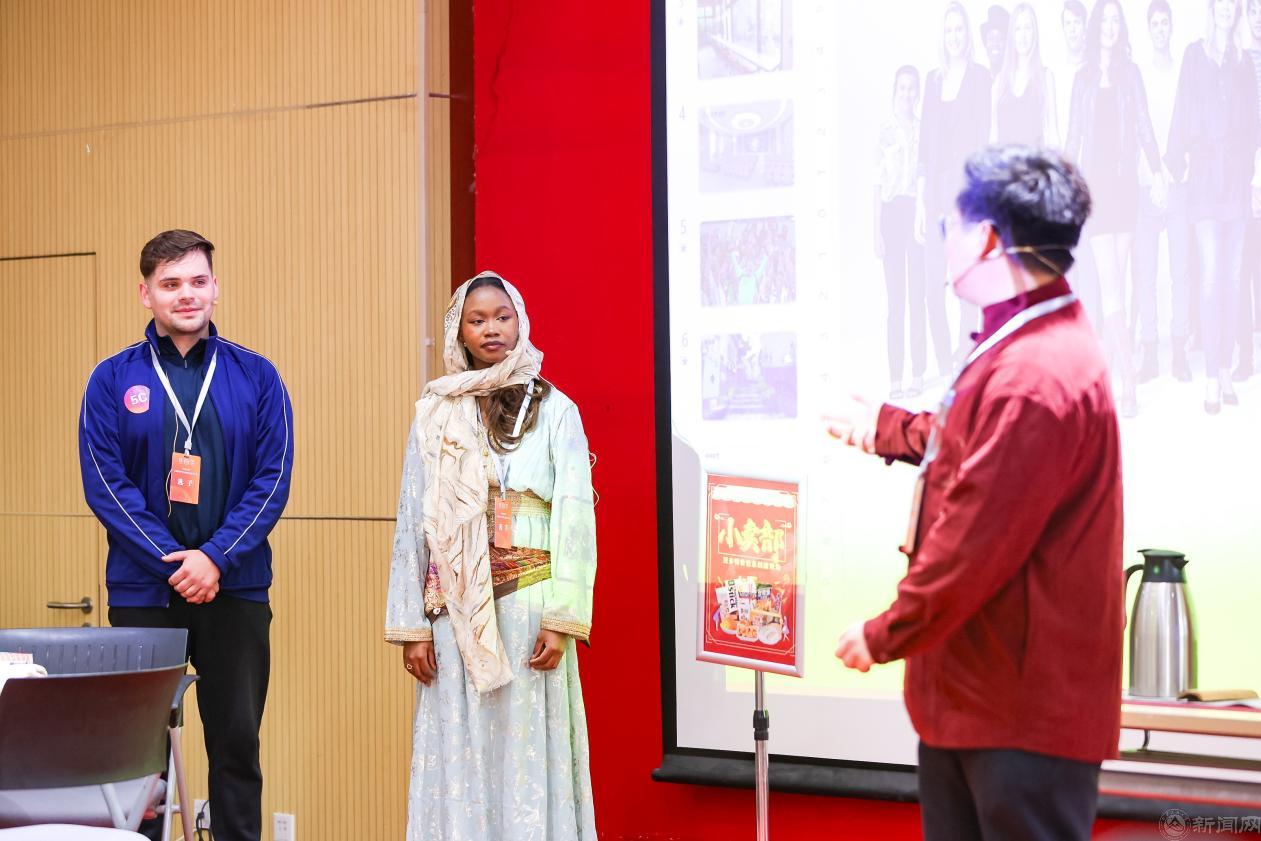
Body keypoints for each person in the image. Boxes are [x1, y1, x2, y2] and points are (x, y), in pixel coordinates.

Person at [828, 145, 1123, 841]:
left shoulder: (1035, 375)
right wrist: (886, 429)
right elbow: (971, 444)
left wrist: (884, 633)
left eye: (950, 224)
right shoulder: (1024, 342)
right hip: (980, 697)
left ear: (988, 238)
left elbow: (972, 542)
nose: (942, 240)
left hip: (1018, 715)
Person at [78, 229, 294, 841]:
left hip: (235, 589)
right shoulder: (111, 379)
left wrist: (216, 558)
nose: (186, 294)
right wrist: (176, 563)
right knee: (140, 758)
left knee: (237, 747)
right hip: (145, 594)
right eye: (170, 284)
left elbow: (273, 479)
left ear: (215, 288)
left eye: (198, 281)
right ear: (145, 293)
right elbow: (105, 483)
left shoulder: (257, 376)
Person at [384, 271, 598, 840]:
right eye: (477, 320)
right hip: (454, 608)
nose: (491, 329)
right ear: (460, 331)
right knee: (461, 745)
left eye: (502, 317)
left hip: (530, 607)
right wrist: (412, 625)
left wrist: (563, 618)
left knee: (525, 747)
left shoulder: (557, 409)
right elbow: (412, 519)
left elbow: (575, 515)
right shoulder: (435, 411)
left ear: (520, 321)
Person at [1065, 0, 1163, 417]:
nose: (1109, 26)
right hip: (1096, 192)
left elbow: (1143, 124)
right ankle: (1130, 385)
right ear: (1096, 27)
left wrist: (1157, 171)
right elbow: (1073, 136)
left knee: (1116, 288)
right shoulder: (1082, 78)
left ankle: (1113, 383)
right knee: (1110, 289)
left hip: (1125, 190)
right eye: (1103, 20)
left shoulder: (1130, 73)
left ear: (1120, 28)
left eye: (1115, 20)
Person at [1166, 0, 1259, 413]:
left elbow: (1254, 126)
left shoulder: (1243, 62)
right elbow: (1182, 110)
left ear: (1236, 11)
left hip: (1236, 184)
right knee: (1209, 279)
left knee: (1233, 280)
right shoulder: (1194, 54)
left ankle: (1224, 370)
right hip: (1204, 183)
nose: (1226, 8)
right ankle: (1209, 376)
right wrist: (1173, 165)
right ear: (1212, 7)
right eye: (1221, 2)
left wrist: (1255, 178)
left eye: (1232, 4)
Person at [917, 1, 992, 364]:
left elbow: (983, 136)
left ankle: (966, 356)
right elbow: (923, 144)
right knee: (933, 286)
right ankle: (946, 360)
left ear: (967, 34)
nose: (954, 36)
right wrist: (920, 201)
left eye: (959, 29)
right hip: (933, 193)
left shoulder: (980, 77)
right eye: (949, 30)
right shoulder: (933, 81)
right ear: (942, 36)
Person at [1133, 0, 1190, 382]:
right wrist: (1154, 174)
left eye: (1164, 22)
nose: (1160, 29)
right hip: (1145, 182)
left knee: (1181, 270)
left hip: (1178, 180)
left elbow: (1184, 122)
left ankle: (1180, 348)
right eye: (1154, 23)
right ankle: (1150, 349)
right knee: (1146, 272)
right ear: (1149, 28)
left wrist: (1170, 170)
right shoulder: (1139, 72)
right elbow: (1141, 125)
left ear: (1171, 27)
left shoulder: (1181, 71)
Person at [876, 65, 932, 398]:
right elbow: (876, 182)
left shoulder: (923, 132)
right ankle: (895, 376)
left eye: (912, 88)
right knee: (896, 300)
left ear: (917, 93)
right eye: (902, 87)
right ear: (895, 91)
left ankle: (918, 373)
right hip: (891, 215)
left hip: (916, 212)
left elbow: (925, 174)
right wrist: (876, 231)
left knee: (917, 296)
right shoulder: (884, 131)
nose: (907, 93)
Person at [991, 3, 1060, 147]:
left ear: (1035, 33)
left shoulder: (1046, 77)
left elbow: (1053, 134)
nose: (1023, 35)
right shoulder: (999, 82)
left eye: (1027, 28)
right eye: (1018, 29)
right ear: (1011, 35)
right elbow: (993, 135)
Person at [981, 5, 1011, 76]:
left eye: (1000, 39)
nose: (995, 44)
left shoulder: (1015, 78)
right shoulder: (983, 77)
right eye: (991, 39)